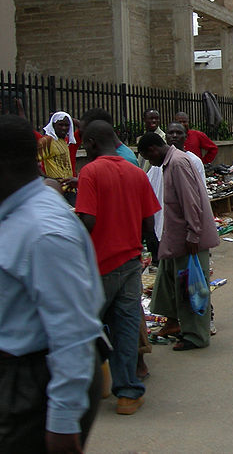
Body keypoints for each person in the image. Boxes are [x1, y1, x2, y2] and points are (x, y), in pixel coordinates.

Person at [0, 115, 104, 452]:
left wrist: (62, 423)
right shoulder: (14, 217)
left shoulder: (45, 232)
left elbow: (73, 332)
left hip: (35, 384)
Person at [75, 121, 160, 416]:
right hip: (131, 263)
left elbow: (88, 221)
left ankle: (85, 388)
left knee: (84, 329)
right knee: (125, 329)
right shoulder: (137, 172)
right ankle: (127, 395)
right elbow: (149, 222)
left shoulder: (90, 171)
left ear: (91, 143)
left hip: (99, 267)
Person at [137, 133, 219, 350]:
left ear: (154, 150)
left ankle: (196, 336)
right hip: (177, 236)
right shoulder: (172, 162)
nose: (150, 162)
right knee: (173, 282)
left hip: (188, 238)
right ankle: (178, 324)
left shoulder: (177, 163)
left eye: (148, 157)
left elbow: (190, 202)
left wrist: (193, 234)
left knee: (190, 287)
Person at [38, 111, 79, 205]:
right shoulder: (47, 141)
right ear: (53, 125)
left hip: (70, 189)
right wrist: (46, 178)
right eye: (60, 125)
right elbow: (32, 161)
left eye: (67, 125)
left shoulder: (64, 142)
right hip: (56, 190)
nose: (64, 128)